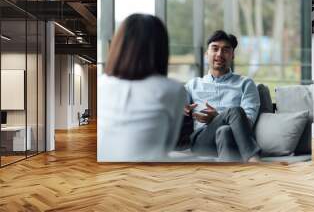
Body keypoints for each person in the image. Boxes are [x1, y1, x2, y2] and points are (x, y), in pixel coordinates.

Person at [98, 14, 186, 162]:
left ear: (118, 46)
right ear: (161, 49)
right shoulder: (173, 90)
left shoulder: (101, 84)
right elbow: (167, 146)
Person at [184, 30, 261, 162]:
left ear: (232, 55)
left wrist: (218, 117)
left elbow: (248, 122)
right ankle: (254, 160)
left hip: (231, 138)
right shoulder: (193, 84)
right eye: (215, 49)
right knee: (234, 110)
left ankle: (228, 179)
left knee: (225, 131)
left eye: (226, 50)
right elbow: (177, 104)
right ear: (206, 54)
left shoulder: (245, 83)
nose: (220, 54)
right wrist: (182, 109)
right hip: (202, 141)